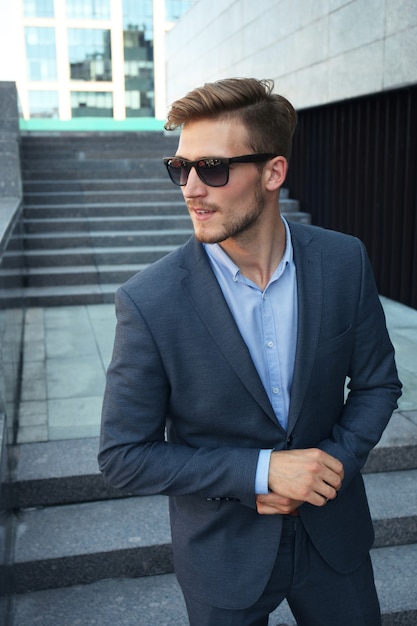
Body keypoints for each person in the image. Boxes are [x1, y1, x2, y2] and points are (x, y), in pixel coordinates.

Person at [98, 77, 402, 626]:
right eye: (180, 168)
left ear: (273, 172)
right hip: (224, 556)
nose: (191, 188)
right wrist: (259, 473)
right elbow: (123, 455)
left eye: (212, 168)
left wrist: (329, 465)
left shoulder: (343, 262)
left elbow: (378, 384)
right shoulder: (149, 301)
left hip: (335, 540)